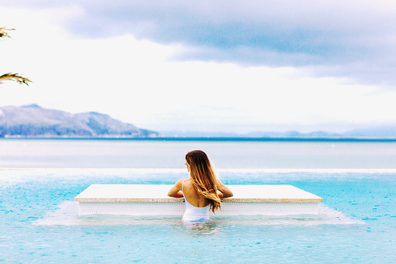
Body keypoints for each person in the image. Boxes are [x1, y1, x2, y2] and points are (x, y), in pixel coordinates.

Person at [168, 150, 233, 222]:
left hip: (188, 221)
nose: (185, 163)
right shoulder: (213, 182)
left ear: (191, 165)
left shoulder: (182, 183)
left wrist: (187, 195)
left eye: (187, 161)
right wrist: (211, 195)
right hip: (205, 220)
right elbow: (229, 194)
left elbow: (170, 194)